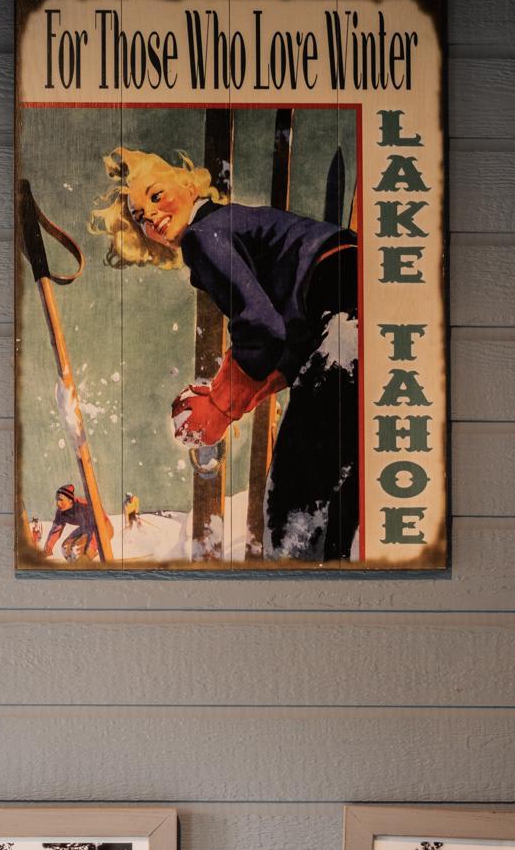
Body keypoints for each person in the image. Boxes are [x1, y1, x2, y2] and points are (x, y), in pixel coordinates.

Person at [90, 146, 359, 562]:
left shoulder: (203, 235)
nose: (152, 218)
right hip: (347, 301)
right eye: (141, 218)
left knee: (292, 513)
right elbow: (288, 343)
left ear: (187, 184)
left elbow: (261, 329)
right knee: (336, 485)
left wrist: (218, 403)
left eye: (156, 196)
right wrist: (233, 401)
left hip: (341, 299)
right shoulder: (229, 227)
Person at [42, 483, 100, 561]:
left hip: (100, 526)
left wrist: (92, 547)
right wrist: (48, 548)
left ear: (70, 500)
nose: (58, 504)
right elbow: (55, 530)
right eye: (57, 500)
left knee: (79, 550)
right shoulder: (61, 512)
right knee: (65, 548)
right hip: (85, 527)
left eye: (61, 500)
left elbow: (97, 526)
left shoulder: (83, 506)